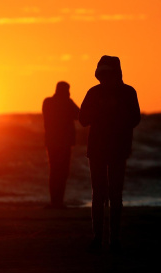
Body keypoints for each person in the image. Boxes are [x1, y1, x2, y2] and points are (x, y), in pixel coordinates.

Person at [79, 55, 140, 254]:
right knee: (99, 194)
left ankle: (114, 238)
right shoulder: (94, 92)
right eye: (102, 75)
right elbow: (82, 119)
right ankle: (98, 238)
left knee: (115, 194)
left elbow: (135, 119)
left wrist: (116, 110)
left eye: (109, 74)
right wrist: (100, 110)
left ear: (117, 73)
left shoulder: (128, 92)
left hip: (118, 149)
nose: (105, 79)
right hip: (97, 149)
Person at [42, 81, 80, 209]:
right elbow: (80, 116)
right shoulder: (66, 103)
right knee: (62, 173)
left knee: (54, 172)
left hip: (52, 143)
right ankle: (57, 202)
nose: (69, 93)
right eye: (68, 90)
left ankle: (55, 201)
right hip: (63, 143)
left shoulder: (47, 102)